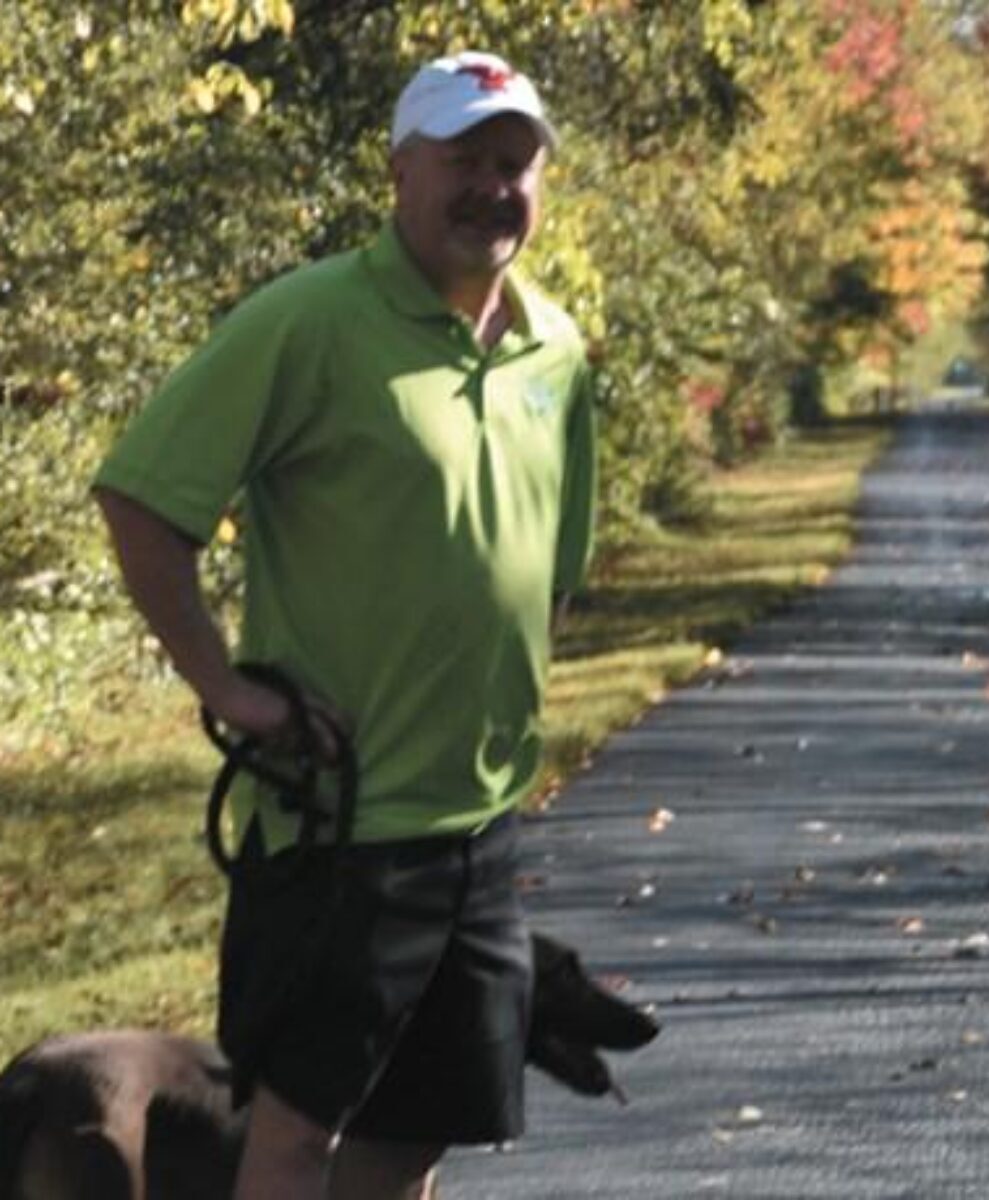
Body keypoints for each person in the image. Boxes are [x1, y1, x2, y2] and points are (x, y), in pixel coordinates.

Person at [92, 50, 595, 1200]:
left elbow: (549, 568)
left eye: (514, 163)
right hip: (339, 823)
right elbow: (141, 498)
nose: (494, 186)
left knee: (418, 1128)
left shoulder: (553, 350)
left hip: (483, 820)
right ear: (399, 171)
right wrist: (227, 689)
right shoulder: (309, 321)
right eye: (464, 159)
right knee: (294, 1133)